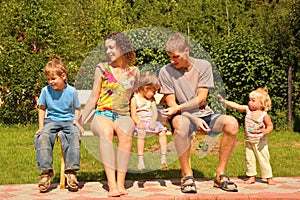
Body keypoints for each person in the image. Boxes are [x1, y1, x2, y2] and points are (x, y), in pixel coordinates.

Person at [158, 32, 239, 193]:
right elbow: (173, 106)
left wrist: (198, 118)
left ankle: (220, 174)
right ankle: (187, 174)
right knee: (182, 124)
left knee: (232, 123)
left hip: (204, 113)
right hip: (181, 116)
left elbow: (202, 99)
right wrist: (194, 120)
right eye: (170, 57)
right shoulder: (165, 72)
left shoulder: (203, 66)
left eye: (176, 57)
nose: (172, 61)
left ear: (187, 50)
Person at [79, 32, 139, 197]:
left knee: (126, 133)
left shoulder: (134, 72)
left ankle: (121, 183)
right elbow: (93, 97)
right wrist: (80, 120)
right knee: (106, 132)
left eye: (112, 47)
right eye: (107, 48)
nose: (109, 51)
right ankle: (111, 185)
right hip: (102, 114)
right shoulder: (102, 68)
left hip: (123, 114)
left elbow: (133, 96)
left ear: (123, 47)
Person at [34, 58, 83, 192]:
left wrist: (76, 121)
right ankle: (46, 172)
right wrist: (41, 126)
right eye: (49, 79)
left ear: (63, 76)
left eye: (54, 79)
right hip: (51, 121)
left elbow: (77, 108)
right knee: (43, 136)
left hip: (68, 120)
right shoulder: (46, 90)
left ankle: (71, 171)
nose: (51, 82)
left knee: (74, 135)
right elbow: (42, 108)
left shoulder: (71, 91)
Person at [218, 88, 275, 185]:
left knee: (263, 159)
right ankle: (251, 176)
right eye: (250, 100)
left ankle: (268, 177)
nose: (250, 102)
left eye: (253, 100)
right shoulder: (247, 110)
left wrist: (266, 131)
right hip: (249, 141)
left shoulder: (264, 115)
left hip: (260, 142)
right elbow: (236, 106)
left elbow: (270, 126)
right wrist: (224, 101)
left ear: (261, 104)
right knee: (250, 159)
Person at [130, 71, 168, 170]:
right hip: (141, 123)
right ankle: (140, 160)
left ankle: (163, 156)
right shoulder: (135, 99)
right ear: (146, 88)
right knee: (141, 133)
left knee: (162, 131)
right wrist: (138, 122)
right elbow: (133, 115)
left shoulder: (151, 100)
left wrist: (153, 121)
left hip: (151, 122)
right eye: (153, 92)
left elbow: (155, 112)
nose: (154, 94)